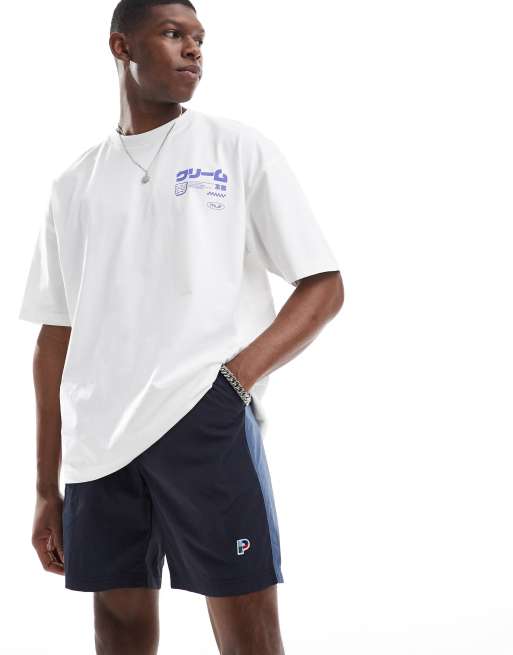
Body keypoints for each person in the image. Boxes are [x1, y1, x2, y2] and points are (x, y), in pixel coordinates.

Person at [18, 0, 344, 653]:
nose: (194, 49)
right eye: (173, 34)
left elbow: (322, 285)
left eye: (199, 38)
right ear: (121, 46)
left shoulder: (235, 148)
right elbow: (55, 337)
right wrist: (45, 488)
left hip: (203, 417)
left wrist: (234, 381)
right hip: (99, 442)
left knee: (249, 626)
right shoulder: (73, 184)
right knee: (119, 627)